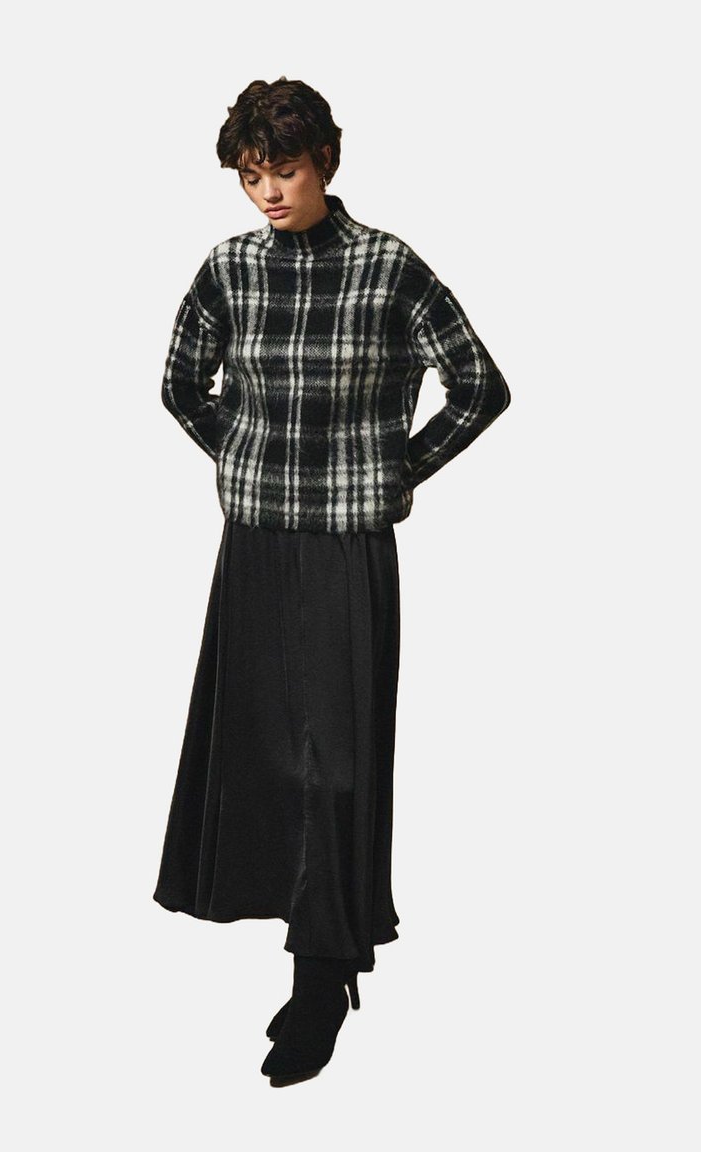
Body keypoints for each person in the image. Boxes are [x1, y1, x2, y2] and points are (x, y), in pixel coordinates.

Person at [152, 76, 511, 1086]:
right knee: (263, 757)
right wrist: (244, 458)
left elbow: (479, 386)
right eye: (251, 176)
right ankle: (301, 949)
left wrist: (396, 470)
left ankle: (324, 978)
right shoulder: (228, 268)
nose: (268, 192)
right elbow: (180, 385)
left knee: (336, 767)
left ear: (324, 162)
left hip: (348, 547)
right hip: (256, 542)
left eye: (285, 170)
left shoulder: (387, 267)